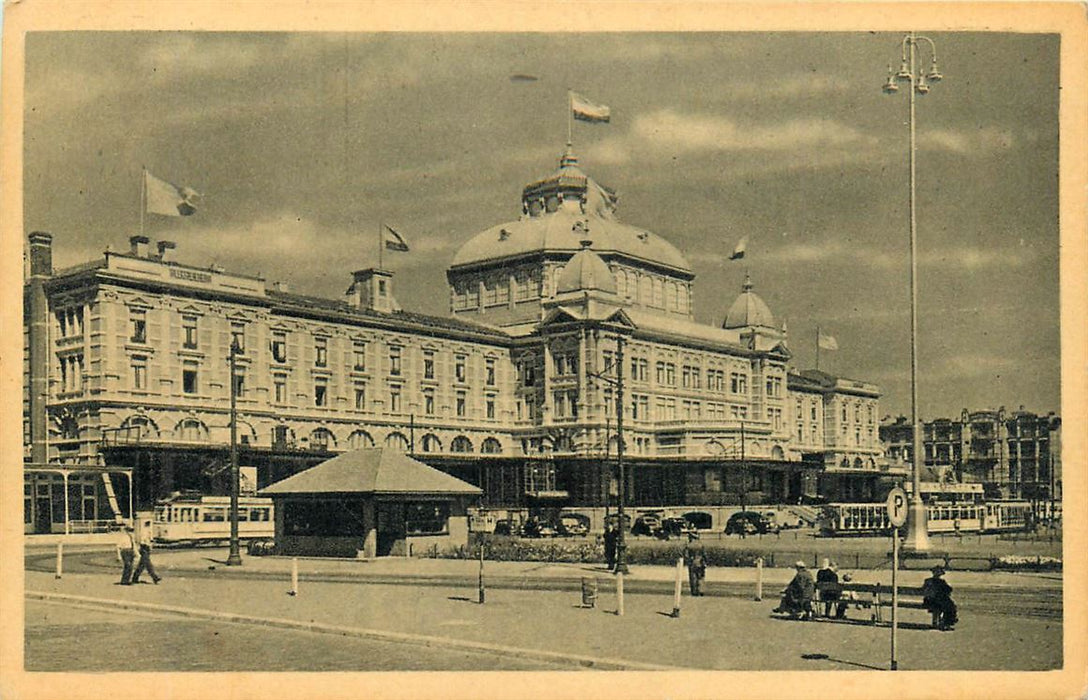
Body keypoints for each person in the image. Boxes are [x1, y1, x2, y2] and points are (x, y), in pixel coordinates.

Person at [922, 566, 957, 630]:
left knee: (945, 605)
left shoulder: (928, 581)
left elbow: (924, 590)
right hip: (936, 601)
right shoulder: (941, 582)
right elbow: (948, 589)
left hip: (928, 601)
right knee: (950, 606)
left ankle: (938, 622)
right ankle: (946, 623)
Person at [131, 519, 162, 584]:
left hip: (145, 548)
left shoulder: (146, 531)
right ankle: (155, 577)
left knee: (142, 565)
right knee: (148, 564)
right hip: (144, 548)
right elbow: (143, 541)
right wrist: (147, 545)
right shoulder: (145, 532)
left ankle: (135, 577)